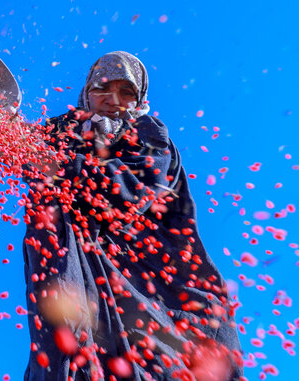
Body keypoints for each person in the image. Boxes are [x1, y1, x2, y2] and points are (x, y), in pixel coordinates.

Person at [21, 51, 244, 381]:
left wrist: (64, 166)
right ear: (87, 92)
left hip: (142, 277)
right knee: (69, 349)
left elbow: (132, 193)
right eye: (103, 88)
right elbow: (14, 146)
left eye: (126, 92)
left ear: (138, 100)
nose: (113, 100)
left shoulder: (149, 136)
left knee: (153, 361)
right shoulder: (62, 130)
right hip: (74, 262)